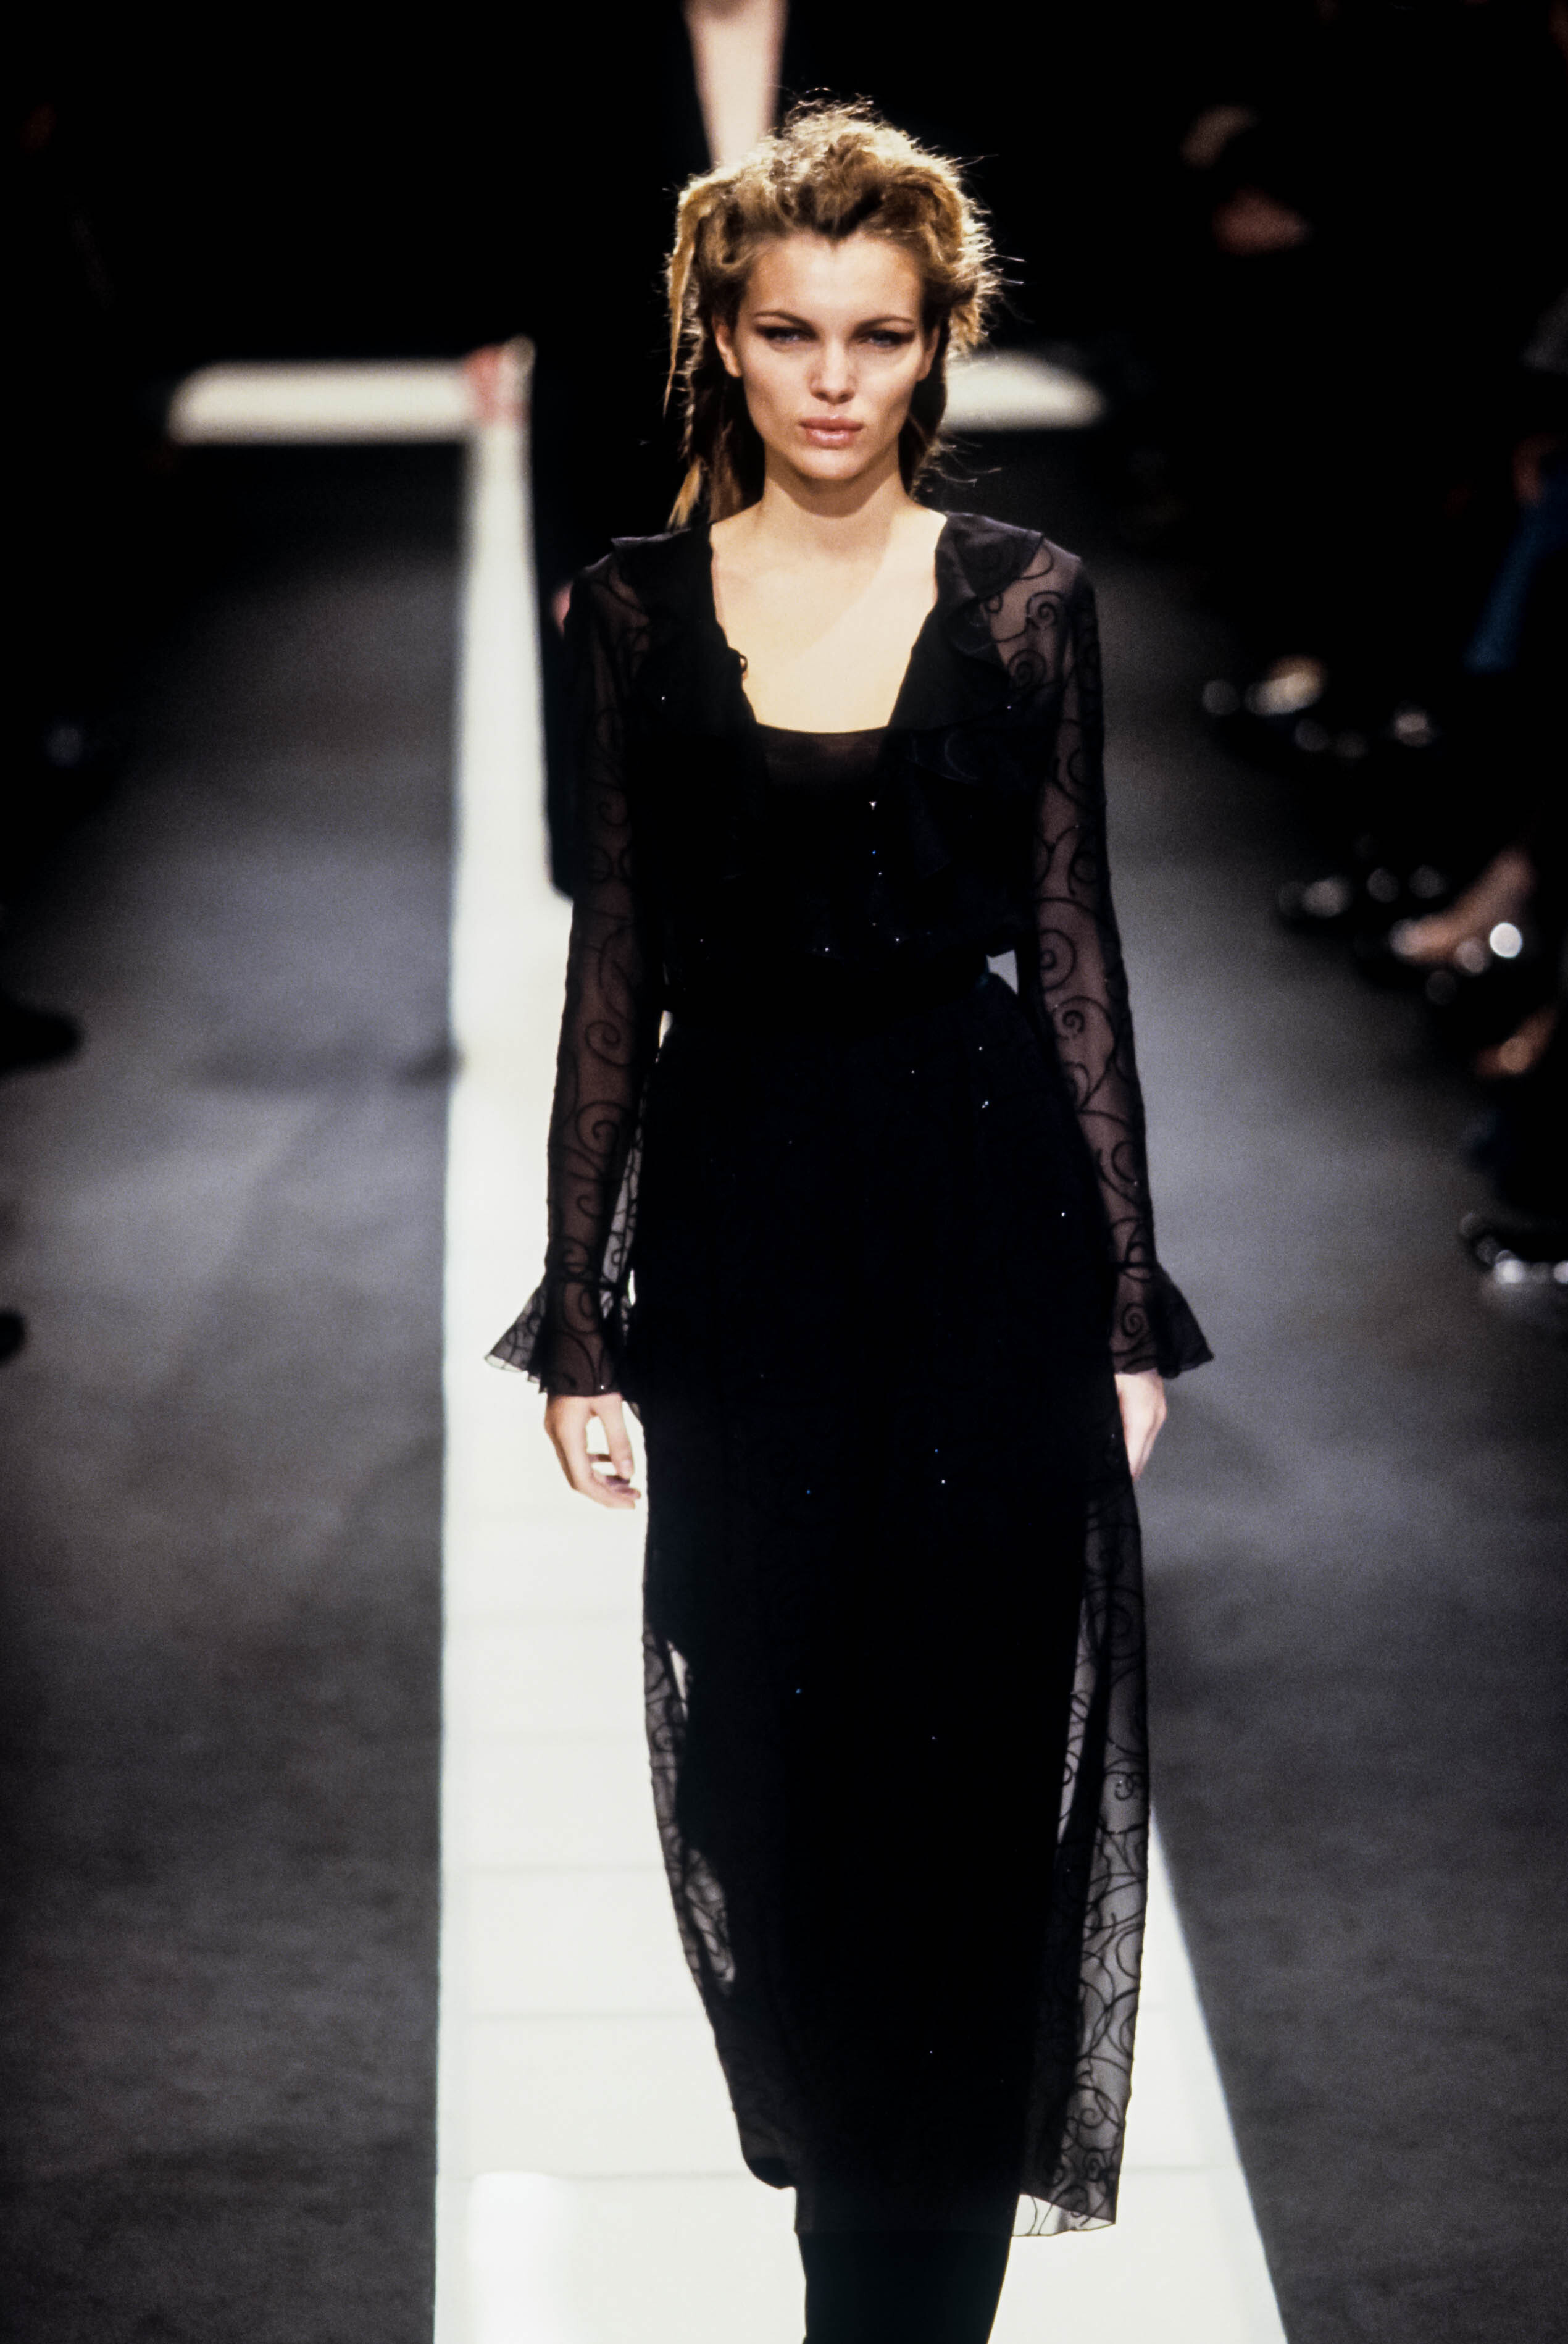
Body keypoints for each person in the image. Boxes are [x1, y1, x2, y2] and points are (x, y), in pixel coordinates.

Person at [491, 101, 1211, 2344]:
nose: (832, 377)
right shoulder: (633, 607)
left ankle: (901, 2309)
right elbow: (618, 960)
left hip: (980, 1219)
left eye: (876, 335)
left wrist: (1123, 1298)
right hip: (739, 1243)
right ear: (722, 335)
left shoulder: (1026, 604)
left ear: (935, 345)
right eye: (791, 330)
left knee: (968, 1792)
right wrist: (581, 1311)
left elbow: (1075, 949)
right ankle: (856, 2236)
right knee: (766, 1775)